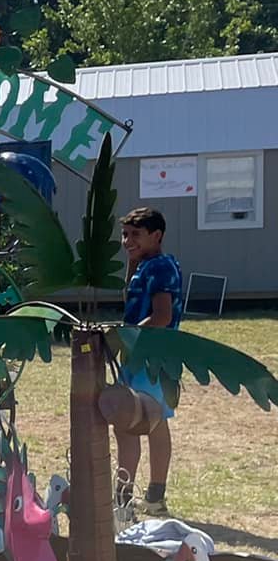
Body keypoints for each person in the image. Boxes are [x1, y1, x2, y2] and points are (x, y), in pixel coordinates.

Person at [117, 205, 185, 517]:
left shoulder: (160, 267)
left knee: (149, 423)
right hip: (137, 356)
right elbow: (130, 302)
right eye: (125, 235)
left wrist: (126, 338)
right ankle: (126, 494)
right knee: (128, 424)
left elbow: (162, 316)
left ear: (156, 236)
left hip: (152, 358)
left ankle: (148, 496)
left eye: (135, 235)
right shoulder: (144, 265)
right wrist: (131, 264)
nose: (127, 240)